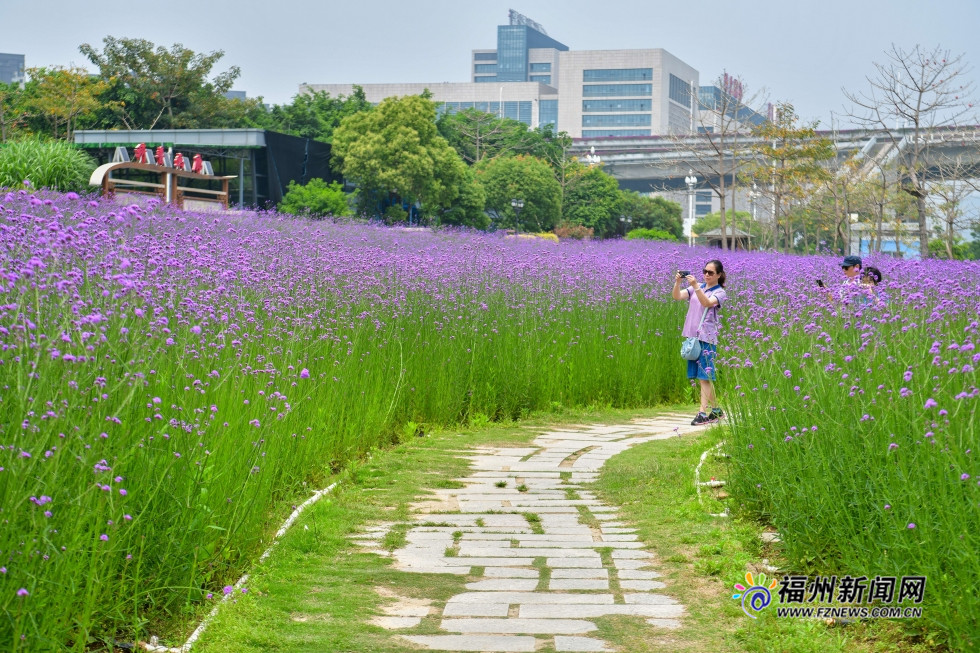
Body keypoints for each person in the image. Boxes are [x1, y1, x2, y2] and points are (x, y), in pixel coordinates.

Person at [671, 260, 728, 425]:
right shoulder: (698, 287)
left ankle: (702, 413)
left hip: (707, 338)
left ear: (718, 275)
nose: (707, 275)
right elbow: (677, 296)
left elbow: (707, 303)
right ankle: (716, 411)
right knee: (701, 376)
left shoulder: (720, 292)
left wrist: (696, 286)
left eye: (711, 273)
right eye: (705, 271)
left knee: (705, 376)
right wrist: (678, 282)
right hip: (692, 337)